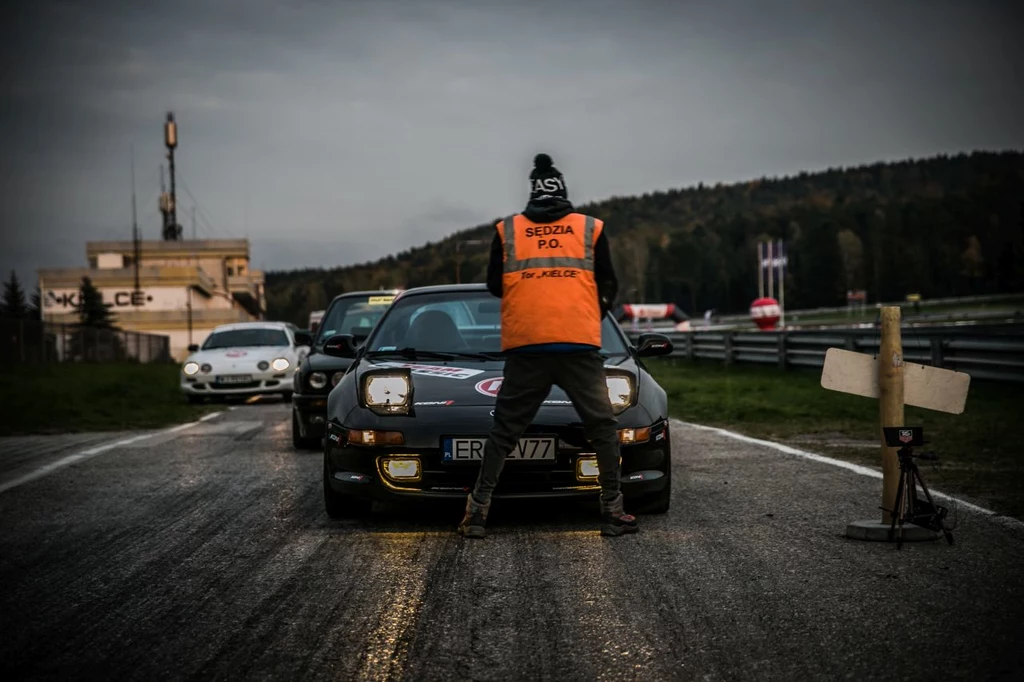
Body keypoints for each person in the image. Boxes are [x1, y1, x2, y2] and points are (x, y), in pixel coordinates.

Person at [457, 153, 639, 539]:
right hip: (578, 345)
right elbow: (609, 283)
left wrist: (531, 294)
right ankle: (612, 512)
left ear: (533, 193)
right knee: (602, 429)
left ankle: (476, 513)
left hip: (526, 346)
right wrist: (589, 309)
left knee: (504, 432)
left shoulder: (508, 230)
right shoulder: (589, 228)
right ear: (562, 191)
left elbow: (494, 284)